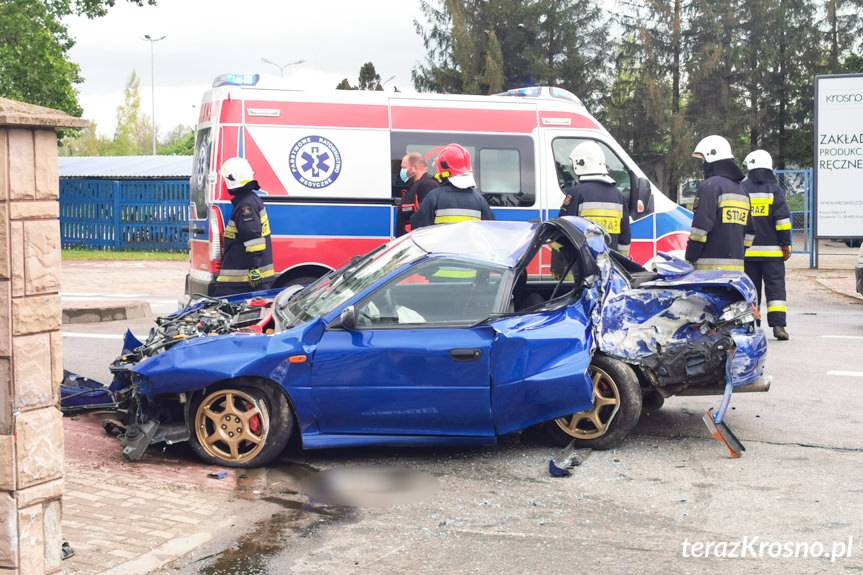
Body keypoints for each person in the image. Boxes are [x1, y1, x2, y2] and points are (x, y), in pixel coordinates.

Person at [742, 149, 792, 341]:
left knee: (750, 289)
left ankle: (751, 325)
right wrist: (786, 244)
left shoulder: (742, 188)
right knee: (776, 288)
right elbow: (782, 221)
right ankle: (778, 326)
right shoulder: (775, 190)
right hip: (773, 253)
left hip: (748, 251)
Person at [685, 135, 754, 272]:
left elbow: (700, 230)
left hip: (709, 271)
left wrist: (690, 257)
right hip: (736, 270)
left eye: (704, 159)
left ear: (711, 158)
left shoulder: (710, 186)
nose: (703, 164)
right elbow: (750, 233)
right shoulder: (742, 190)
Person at [558, 141, 631, 257]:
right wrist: (620, 262)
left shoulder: (576, 193)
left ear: (581, 164)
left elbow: (563, 230)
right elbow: (625, 238)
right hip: (610, 265)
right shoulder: (619, 196)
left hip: (583, 264)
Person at [213, 157, 274, 296]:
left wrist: (254, 269)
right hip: (243, 280)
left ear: (231, 179)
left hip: (241, 281)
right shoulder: (249, 200)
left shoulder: (245, 206)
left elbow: (254, 239)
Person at [411, 143, 494, 228]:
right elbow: (489, 229)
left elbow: (419, 229)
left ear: (443, 169)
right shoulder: (479, 199)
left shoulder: (434, 197)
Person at [396, 153, 438, 236]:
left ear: (414, 168)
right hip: (408, 240)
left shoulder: (428, 185)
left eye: (404, 167)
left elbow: (427, 219)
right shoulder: (413, 186)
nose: (402, 171)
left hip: (418, 240)